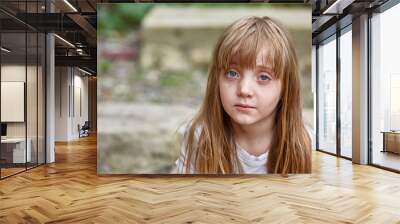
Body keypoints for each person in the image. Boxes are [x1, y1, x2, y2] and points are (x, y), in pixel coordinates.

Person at [175, 16, 311, 174]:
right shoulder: (199, 137)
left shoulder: (307, 144)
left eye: (263, 77)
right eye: (232, 73)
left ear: (286, 88)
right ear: (216, 80)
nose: (244, 90)